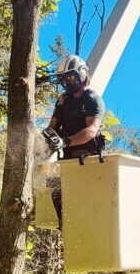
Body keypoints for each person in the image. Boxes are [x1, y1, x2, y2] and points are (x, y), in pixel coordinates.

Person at [43, 55, 105, 228]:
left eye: (71, 77)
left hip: (87, 156)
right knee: (53, 185)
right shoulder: (63, 101)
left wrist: (66, 141)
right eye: (65, 79)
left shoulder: (92, 100)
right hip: (66, 155)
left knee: (80, 191)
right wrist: (46, 141)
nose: (68, 82)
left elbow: (92, 130)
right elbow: (52, 126)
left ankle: (85, 223)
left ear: (82, 74)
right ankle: (65, 225)